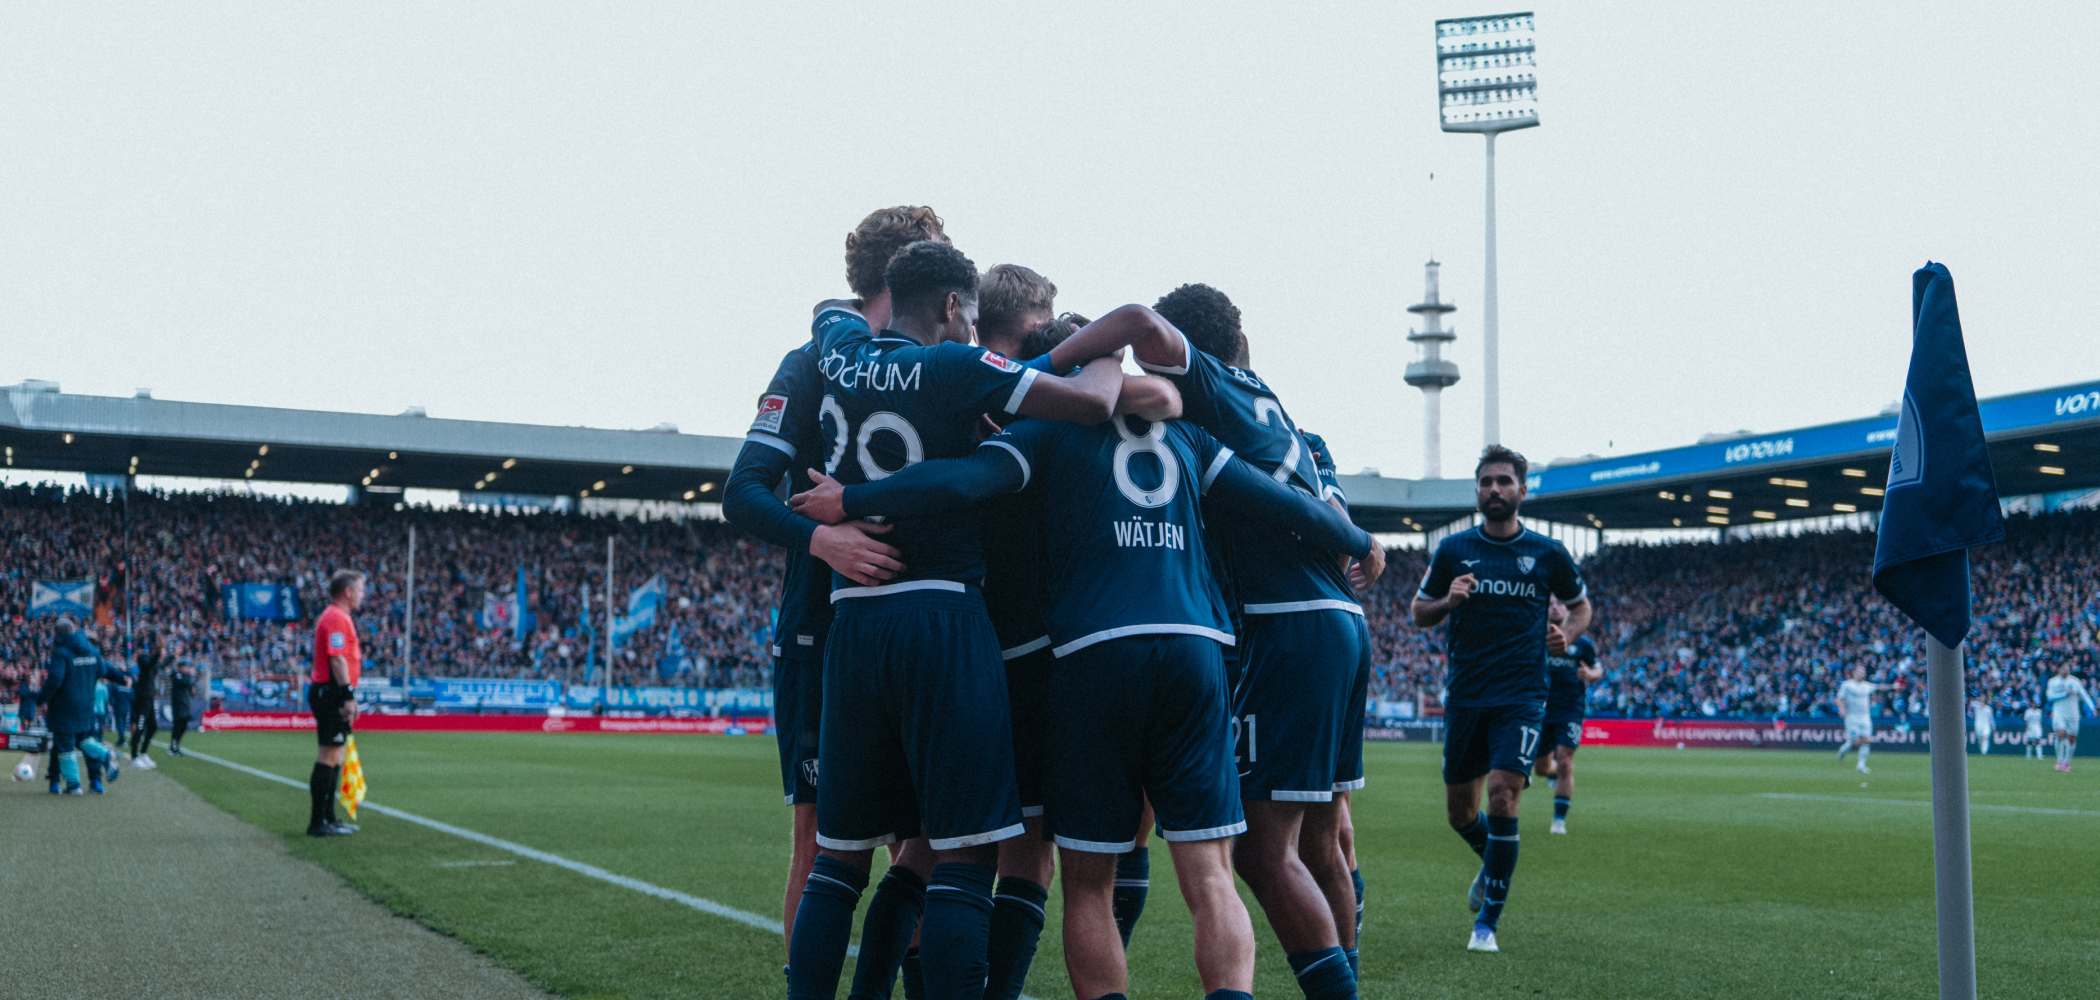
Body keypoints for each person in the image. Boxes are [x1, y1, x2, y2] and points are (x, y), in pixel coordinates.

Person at [790, 316, 1384, 1000]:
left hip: (1091, 655)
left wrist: (852, 497)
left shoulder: (1042, 432)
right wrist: (1355, 535)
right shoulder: (1189, 436)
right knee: (1212, 875)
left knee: (1086, 882)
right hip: (1195, 653)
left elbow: (965, 481)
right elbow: (1284, 504)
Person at [782, 240, 1125, 1000]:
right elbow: (1095, 403)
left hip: (855, 621)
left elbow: (830, 314)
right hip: (962, 630)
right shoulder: (965, 375)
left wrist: (847, 501)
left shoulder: (840, 353)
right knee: (975, 857)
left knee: (848, 860)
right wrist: (1114, 345)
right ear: (950, 306)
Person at [1046, 284, 1377, 991]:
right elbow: (1295, 500)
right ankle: (1343, 975)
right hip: (1326, 620)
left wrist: (1046, 364)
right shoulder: (1264, 416)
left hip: (1275, 626)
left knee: (1256, 854)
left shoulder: (1199, 396)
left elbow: (1137, 328)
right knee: (1317, 836)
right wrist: (1354, 536)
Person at [721, 205, 939, 974]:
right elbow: (743, 491)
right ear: (903, 271)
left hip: (917, 632)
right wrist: (823, 538)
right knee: (820, 838)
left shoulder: (937, 365)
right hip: (821, 631)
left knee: (929, 839)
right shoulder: (809, 362)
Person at [1411, 445, 1591, 954]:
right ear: (1477, 491)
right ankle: (1490, 862)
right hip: (1466, 696)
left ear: (1522, 491)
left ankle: (1486, 925)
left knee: (1505, 794)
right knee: (1460, 815)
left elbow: (1581, 608)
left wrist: (1567, 637)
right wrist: (1449, 600)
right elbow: (1418, 611)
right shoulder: (1453, 551)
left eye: (1504, 481)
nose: (1495, 489)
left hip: (1522, 697)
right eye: (1486, 481)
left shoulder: (1549, 553)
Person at [1533, 598, 1602, 835]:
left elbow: (1599, 669)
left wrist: (1589, 674)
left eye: (1560, 603)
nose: (1555, 607)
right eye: (1551, 603)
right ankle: (1552, 774)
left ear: (1568, 608)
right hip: (1541, 710)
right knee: (1541, 768)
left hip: (1571, 710)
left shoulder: (1582, 642)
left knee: (1565, 760)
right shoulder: (1536, 638)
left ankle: (1559, 820)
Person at [36, 617, 125, 795]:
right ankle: (104, 757)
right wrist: (122, 678)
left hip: (64, 706)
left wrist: (41, 698)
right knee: (83, 739)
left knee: (65, 745)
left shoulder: (60, 653)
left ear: (57, 634)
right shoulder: (92, 651)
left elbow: (55, 680)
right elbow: (103, 671)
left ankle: (73, 784)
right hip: (87, 706)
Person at [307, 570, 366, 837]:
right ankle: (318, 822)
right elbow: (337, 659)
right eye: (361, 590)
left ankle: (329, 819)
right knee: (329, 754)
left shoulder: (340, 617)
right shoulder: (335, 617)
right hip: (330, 692)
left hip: (333, 691)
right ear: (348, 592)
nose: (363, 595)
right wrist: (347, 695)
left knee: (337, 755)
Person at [1833, 667, 1887, 774]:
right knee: (1856, 742)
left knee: (1866, 740)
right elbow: (1839, 699)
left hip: (1865, 717)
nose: (1862, 674)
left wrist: (1894, 686)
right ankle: (1843, 749)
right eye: (1860, 672)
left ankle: (1861, 766)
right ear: (1854, 673)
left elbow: (1880, 687)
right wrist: (1842, 709)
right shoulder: (1847, 685)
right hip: (1852, 717)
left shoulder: (1867, 686)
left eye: (1864, 672)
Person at [2044, 662, 2095, 772]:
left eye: (2068, 668)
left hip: (2073, 713)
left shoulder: (2075, 682)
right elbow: (2049, 697)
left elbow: (2084, 694)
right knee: (2060, 733)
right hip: (2059, 712)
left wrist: (2093, 707)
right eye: (2064, 668)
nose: (2066, 670)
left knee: (2072, 739)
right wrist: (2065, 694)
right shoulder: (2053, 682)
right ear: (2059, 669)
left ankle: (2067, 762)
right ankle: (2059, 761)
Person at [129, 631, 165, 768]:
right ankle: (134, 757)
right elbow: (152, 664)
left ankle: (143, 753)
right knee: (139, 727)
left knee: (153, 726)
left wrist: (172, 656)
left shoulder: (151, 661)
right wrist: (160, 650)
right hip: (142, 698)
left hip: (149, 698)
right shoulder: (143, 659)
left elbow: (159, 665)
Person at [167, 658, 200, 756]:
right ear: (180, 668)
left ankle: (175, 745)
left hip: (185, 705)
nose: (187, 669)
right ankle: (173, 747)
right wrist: (192, 675)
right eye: (185, 667)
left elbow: (190, 686)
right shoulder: (178, 676)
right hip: (178, 705)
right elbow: (186, 682)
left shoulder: (185, 677)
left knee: (184, 726)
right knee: (178, 726)